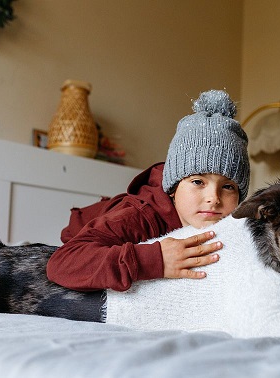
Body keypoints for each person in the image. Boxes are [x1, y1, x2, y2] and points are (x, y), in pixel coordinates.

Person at [46, 89, 250, 296]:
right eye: (198, 182)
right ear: (173, 188)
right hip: (82, 235)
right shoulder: (141, 216)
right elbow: (62, 263)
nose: (213, 199)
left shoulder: (232, 221)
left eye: (228, 187)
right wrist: (155, 259)